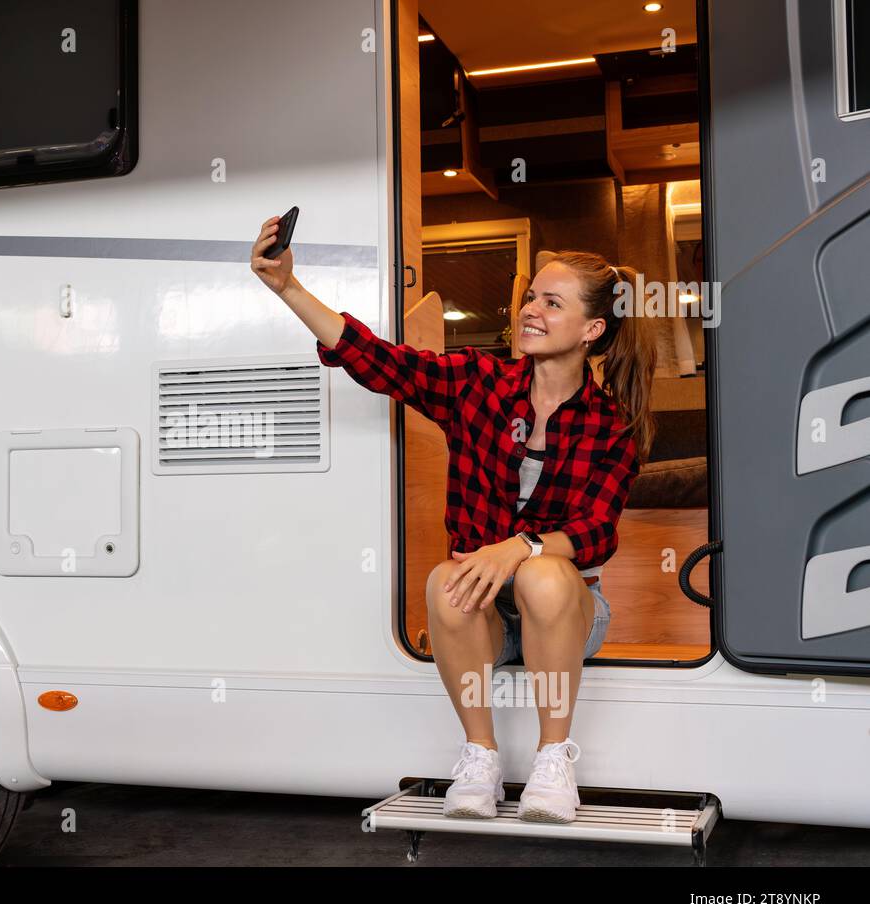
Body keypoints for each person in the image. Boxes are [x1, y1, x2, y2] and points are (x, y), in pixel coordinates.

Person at [251, 214, 656, 824]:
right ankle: (480, 757)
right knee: (446, 580)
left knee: (543, 575)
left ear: (592, 329)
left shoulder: (612, 422)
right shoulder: (478, 382)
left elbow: (596, 532)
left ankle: (553, 761)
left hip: (566, 612)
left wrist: (518, 547)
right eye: (529, 298)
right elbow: (378, 360)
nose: (530, 310)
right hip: (486, 614)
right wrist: (288, 286)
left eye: (552, 302)